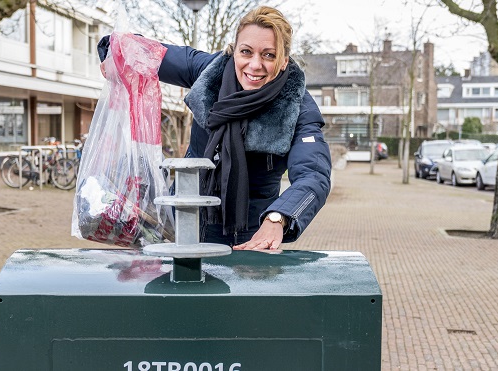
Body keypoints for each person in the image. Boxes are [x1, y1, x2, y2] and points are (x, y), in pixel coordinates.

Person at [99, 6, 330, 251]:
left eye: (269, 55)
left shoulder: (298, 106)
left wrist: (278, 217)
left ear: (283, 61)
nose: (254, 64)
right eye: (246, 52)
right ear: (234, 51)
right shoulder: (209, 72)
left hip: (251, 239)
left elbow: (314, 174)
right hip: (183, 225)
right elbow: (150, 53)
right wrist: (113, 53)